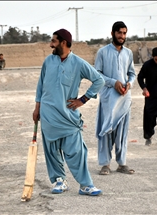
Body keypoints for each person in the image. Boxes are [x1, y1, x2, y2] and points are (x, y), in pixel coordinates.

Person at [33, 28, 105, 196]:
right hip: (48, 114)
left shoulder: (78, 63)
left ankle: (85, 185)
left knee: (76, 150)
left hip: (68, 116)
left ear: (64, 43)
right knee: (52, 150)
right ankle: (59, 180)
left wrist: (83, 100)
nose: (51, 44)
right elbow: (40, 86)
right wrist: (37, 108)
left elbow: (98, 80)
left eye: (54, 41)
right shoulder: (48, 61)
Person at [94, 21, 136, 175]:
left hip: (124, 98)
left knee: (122, 132)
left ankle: (122, 163)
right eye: (119, 33)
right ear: (112, 33)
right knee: (106, 131)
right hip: (108, 99)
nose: (122, 36)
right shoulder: (102, 52)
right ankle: (105, 164)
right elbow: (96, 74)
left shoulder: (128, 53)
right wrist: (113, 83)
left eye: (124, 33)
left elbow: (132, 73)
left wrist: (129, 84)